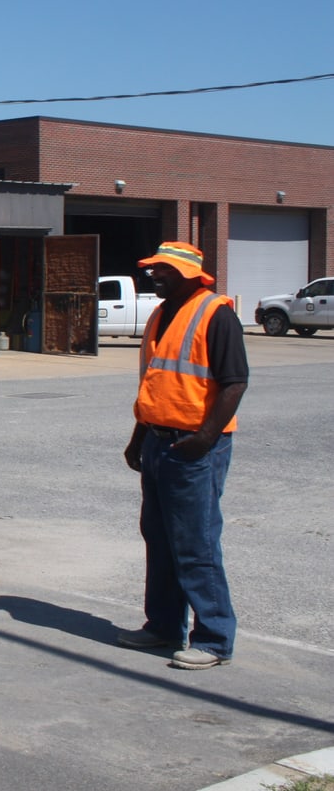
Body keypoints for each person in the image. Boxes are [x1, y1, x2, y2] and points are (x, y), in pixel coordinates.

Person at [117, 241, 248, 670]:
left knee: (195, 542)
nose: (155, 275)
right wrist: (139, 437)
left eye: (164, 270)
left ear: (191, 274)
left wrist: (205, 438)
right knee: (158, 535)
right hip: (158, 439)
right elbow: (157, 385)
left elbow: (234, 383)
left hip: (194, 445)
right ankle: (163, 626)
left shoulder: (216, 314)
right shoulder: (160, 315)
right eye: (153, 268)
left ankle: (213, 638)